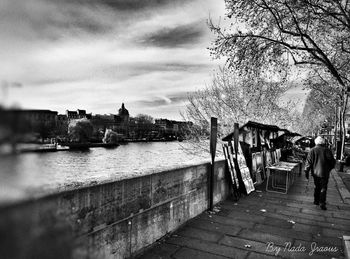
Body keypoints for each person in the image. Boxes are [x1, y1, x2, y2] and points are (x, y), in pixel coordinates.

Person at [304, 136, 335, 210]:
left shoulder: (312, 150)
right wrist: (329, 169)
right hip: (324, 173)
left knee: (317, 186)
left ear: (316, 142)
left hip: (315, 173)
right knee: (323, 187)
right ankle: (322, 203)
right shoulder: (327, 150)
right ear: (323, 142)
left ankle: (316, 201)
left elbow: (308, 162)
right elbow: (332, 161)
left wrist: (306, 171)